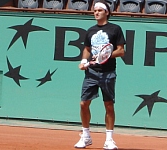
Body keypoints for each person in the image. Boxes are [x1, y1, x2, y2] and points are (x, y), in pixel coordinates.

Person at [74, 0, 126, 149]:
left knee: (108, 106)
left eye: (99, 10)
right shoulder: (90, 30)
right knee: (83, 104)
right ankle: (86, 136)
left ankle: (109, 140)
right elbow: (87, 49)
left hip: (108, 73)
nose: (96, 13)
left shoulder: (115, 29)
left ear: (107, 12)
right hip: (91, 73)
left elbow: (121, 51)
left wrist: (105, 56)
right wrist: (84, 60)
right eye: (95, 10)